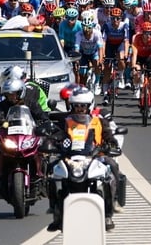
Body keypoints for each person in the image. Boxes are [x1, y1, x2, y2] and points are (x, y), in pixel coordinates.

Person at [47, 85, 121, 232]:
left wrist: (112, 144)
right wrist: (50, 142)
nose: (80, 109)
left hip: (95, 157)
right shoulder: (65, 121)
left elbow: (108, 135)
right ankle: (56, 212)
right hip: (69, 158)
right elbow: (56, 135)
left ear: (89, 106)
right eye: (76, 106)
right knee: (50, 171)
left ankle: (108, 212)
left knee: (112, 167)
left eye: (83, 106)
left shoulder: (98, 121)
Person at [0, 65, 50, 195]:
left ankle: (44, 174)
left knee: (44, 147)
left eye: (13, 94)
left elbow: (40, 114)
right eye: (8, 94)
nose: (11, 97)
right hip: (10, 134)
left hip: (28, 131)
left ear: (20, 92)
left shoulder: (30, 102)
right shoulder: (3, 105)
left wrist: (46, 123)